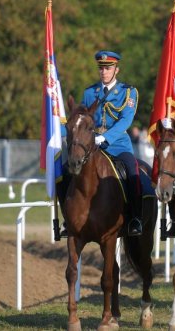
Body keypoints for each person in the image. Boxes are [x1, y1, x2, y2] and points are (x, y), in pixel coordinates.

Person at [72, 50, 143, 236]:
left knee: (132, 171)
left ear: (116, 70)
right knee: (67, 170)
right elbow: (81, 118)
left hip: (118, 144)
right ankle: (68, 218)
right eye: (101, 68)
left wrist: (106, 137)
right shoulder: (90, 92)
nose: (104, 71)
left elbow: (126, 120)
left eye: (108, 68)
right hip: (91, 147)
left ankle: (135, 218)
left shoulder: (128, 92)